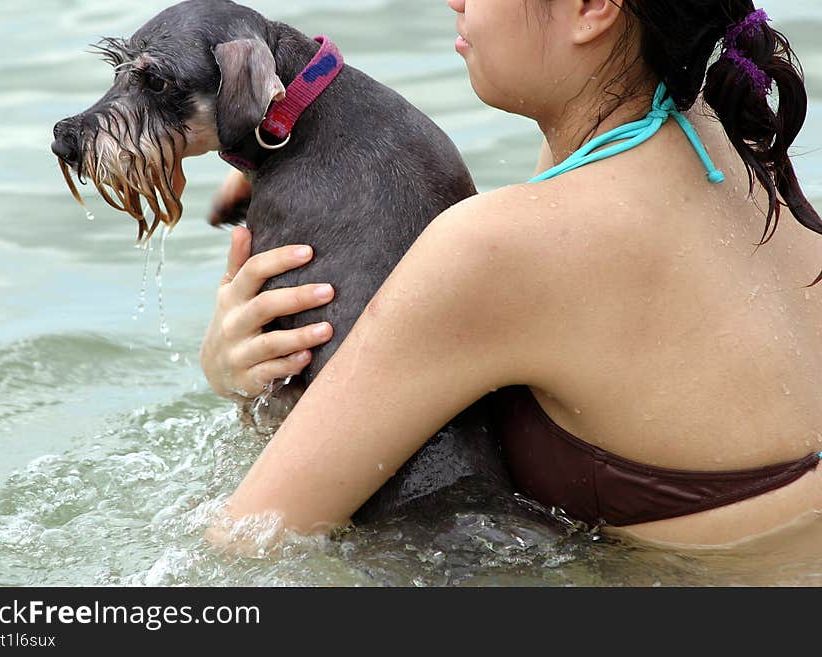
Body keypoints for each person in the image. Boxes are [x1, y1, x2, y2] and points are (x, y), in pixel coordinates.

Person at [200, 0, 822, 551]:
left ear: (593, 7)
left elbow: (248, 538)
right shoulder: (730, 140)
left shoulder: (501, 247)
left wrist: (241, 385)